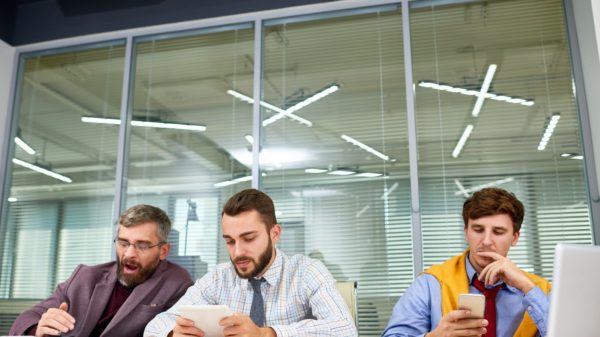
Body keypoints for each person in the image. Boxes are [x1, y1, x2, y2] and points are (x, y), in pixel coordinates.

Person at [145, 188, 357, 337]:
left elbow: (345, 329)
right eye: (229, 241)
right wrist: (173, 333)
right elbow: (155, 327)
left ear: (275, 234)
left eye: (248, 239)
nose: (237, 252)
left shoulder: (306, 272)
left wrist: (267, 334)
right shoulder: (219, 278)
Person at [382, 187, 551, 337]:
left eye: (498, 232)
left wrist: (528, 289)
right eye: (478, 230)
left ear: (514, 238)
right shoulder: (430, 284)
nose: (486, 241)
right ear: (466, 233)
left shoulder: (539, 291)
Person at [10, 204, 193, 337]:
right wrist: (38, 329)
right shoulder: (85, 277)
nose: (129, 254)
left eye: (142, 246)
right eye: (123, 243)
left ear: (163, 251)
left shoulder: (177, 283)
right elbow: (27, 318)